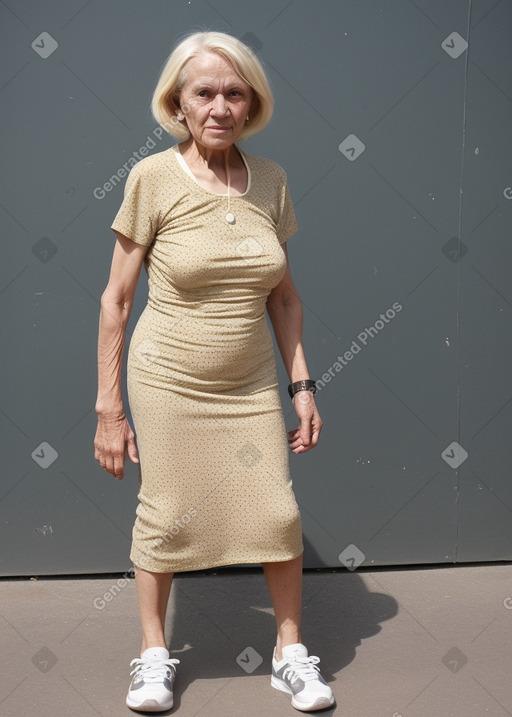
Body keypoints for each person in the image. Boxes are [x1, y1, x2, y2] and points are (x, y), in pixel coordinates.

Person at [94, 30, 335, 713]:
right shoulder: (150, 179)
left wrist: (302, 384)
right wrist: (108, 406)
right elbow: (115, 300)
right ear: (177, 101)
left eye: (234, 92)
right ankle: (152, 656)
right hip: (168, 376)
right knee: (167, 513)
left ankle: (289, 653)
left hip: (252, 379)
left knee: (276, 510)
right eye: (204, 92)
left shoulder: (273, 180)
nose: (220, 106)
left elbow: (283, 296)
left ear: (250, 101)